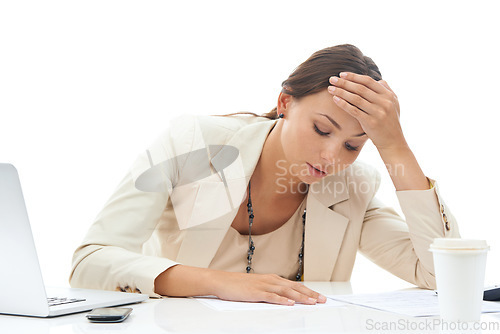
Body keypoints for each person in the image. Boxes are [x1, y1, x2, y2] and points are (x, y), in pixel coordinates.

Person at [69, 44, 460, 306]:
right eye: (322, 130)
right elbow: (90, 261)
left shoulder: (350, 187)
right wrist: (220, 283)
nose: (331, 156)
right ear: (285, 103)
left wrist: (396, 147)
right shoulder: (194, 143)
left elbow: (444, 275)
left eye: (353, 146)